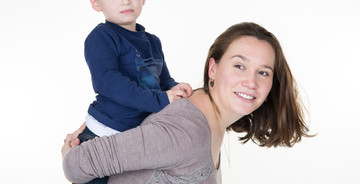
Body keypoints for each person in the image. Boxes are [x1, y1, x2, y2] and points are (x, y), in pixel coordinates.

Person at [62, 22, 312, 184]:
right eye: (239, 66)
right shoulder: (185, 131)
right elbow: (78, 163)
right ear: (213, 68)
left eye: (264, 72)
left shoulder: (210, 118)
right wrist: (69, 151)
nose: (251, 81)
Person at [77, 0, 192, 183]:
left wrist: (176, 89)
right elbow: (108, 83)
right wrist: (161, 100)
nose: (125, 0)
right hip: (104, 134)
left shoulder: (153, 41)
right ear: (96, 2)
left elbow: (163, 81)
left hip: (137, 139)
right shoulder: (102, 38)